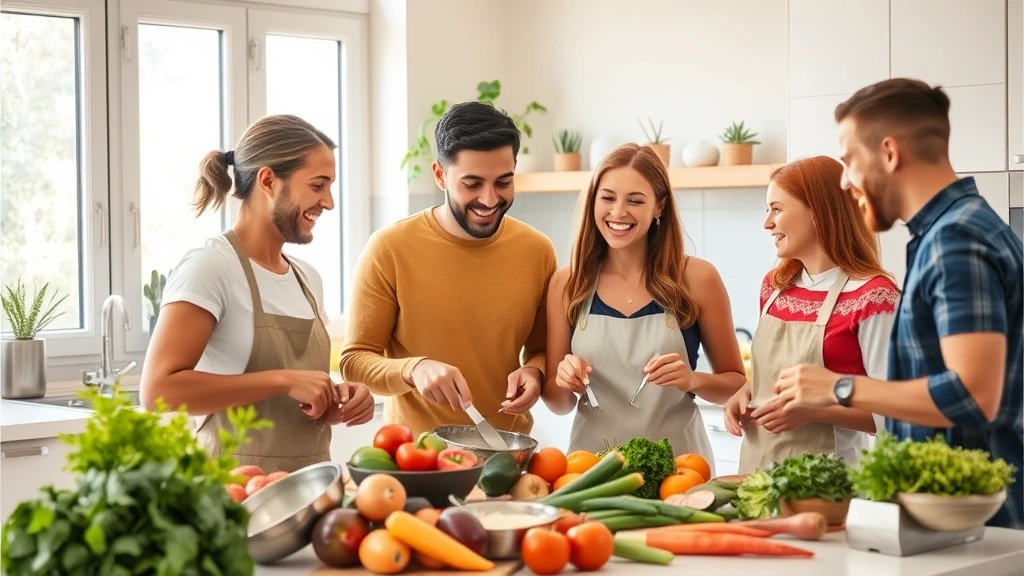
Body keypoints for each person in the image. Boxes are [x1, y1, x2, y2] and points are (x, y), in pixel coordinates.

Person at [772, 78, 1023, 529]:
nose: (846, 182)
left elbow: (975, 393)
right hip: (956, 513)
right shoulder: (944, 234)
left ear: (889, 153)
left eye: (849, 161)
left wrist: (838, 387)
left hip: (976, 519)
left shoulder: (956, 240)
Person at [141, 114, 375, 473]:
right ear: (268, 180)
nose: (328, 202)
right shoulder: (211, 268)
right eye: (317, 185)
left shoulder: (307, 279)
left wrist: (338, 399)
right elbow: (157, 392)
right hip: (229, 496)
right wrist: (283, 380)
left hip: (309, 489)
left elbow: (292, 401)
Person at [339, 102, 557, 436]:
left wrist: (535, 373)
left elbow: (542, 350)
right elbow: (354, 361)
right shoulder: (390, 248)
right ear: (440, 175)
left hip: (508, 458)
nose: (489, 199)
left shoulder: (537, 250)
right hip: (416, 461)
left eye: (503, 182)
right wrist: (415, 369)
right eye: (472, 184)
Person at [544, 143, 746, 466]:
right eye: (607, 198)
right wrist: (564, 380)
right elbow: (557, 401)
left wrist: (693, 380)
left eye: (635, 200)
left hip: (681, 470)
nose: (618, 212)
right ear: (593, 200)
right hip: (590, 472)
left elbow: (735, 383)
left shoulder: (698, 279)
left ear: (659, 206)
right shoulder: (567, 284)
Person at [722, 156, 899, 472]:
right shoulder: (775, 287)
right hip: (757, 476)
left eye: (777, 209)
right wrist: (747, 392)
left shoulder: (873, 295)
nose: (767, 223)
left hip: (830, 483)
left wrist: (813, 411)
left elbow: (892, 413)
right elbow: (775, 375)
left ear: (817, 213)